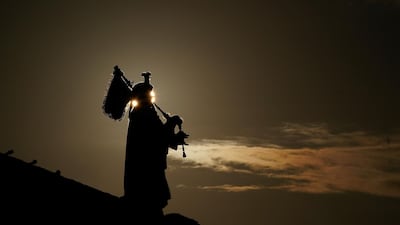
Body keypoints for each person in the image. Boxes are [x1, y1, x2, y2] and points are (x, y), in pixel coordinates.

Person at [103, 66, 188, 223]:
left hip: (149, 165)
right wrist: (172, 124)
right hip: (146, 166)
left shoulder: (143, 114)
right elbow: (157, 137)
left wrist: (173, 132)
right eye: (149, 94)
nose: (150, 97)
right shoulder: (143, 115)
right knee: (151, 198)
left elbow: (159, 137)